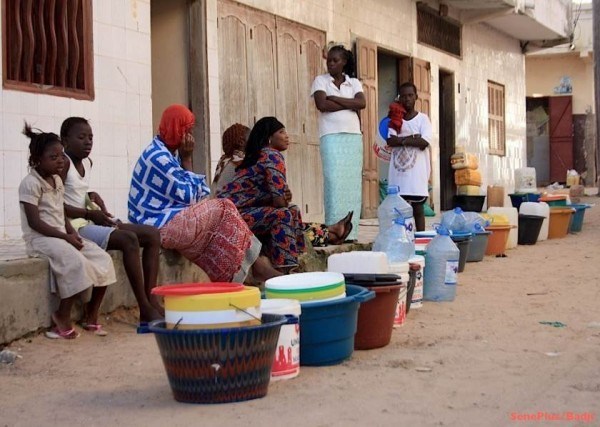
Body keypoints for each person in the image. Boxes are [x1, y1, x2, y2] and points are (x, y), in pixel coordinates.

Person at [128, 104, 281, 283]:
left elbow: (197, 195)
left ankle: (244, 273)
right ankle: (258, 267)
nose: (190, 137)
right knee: (224, 207)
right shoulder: (158, 156)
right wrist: (187, 158)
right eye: (188, 130)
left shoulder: (169, 153)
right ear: (177, 129)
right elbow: (193, 197)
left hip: (170, 218)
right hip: (157, 226)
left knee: (218, 226)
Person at [60, 117, 163, 323]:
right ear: (65, 140)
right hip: (76, 227)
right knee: (129, 240)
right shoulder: (63, 164)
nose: (88, 142)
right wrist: (89, 214)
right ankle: (143, 307)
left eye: (90, 137)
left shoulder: (87, 163)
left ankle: (152, 301)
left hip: (89, 220)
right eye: (81, 137)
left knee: (152, 235)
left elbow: (75, 191)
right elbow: (56, 204)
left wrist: (91, 196)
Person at [19, 124, 116, 339]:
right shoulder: (30, 184)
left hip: (61, 235)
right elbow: (35, 222)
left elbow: (60, 213)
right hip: (41, 239)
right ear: (36, 160)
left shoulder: (56, 180)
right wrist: (65, 237)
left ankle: (91, 315)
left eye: (61, 156)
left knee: (102, 259)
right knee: (75, 261)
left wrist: (73, 234)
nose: (60, 161)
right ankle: (61, 316)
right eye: (53, 157)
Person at [217, 117, 353, 270]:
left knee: (292, 211)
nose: (287, 136)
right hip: (232, 216)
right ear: (269, 138)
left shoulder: (253, 156)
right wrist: (282, 197)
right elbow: (280, 202)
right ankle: (284, 270)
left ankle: (299, 260)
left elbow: (276, 196)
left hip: (236, 212)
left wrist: (281, 197)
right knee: (283, 215)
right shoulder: (270, 155)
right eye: (281, 132)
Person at [311, 44, 366, 241]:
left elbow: (362, 103)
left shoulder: (354, 83)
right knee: (334, 183)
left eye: (335, 61)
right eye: (329, 61)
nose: (331, 64)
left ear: (344, 62)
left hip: (353, 137)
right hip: (331, 136)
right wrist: (347, 102)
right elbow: (322, 104)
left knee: (352, 185)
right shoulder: (320, 80)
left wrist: (335, 98)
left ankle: (352, 232)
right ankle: (334, 230)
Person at [386, 82, 433, 231]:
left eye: (410, 95)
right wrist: (412, 138)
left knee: (418, 210)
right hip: (399, 176)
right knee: (399, 212)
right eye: (403, 96)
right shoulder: (395, 121)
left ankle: (420, 241)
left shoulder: (423, 119)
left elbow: (424, 142)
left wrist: (403, 140)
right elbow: (390, 141)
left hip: (416, 176)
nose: (407, 99)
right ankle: (401, 240)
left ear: (416, 97)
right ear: (399, 98)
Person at [211, 123, 249, 194]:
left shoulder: (224, 160)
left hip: (215, 202)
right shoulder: (239, 161)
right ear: (241, 142)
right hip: (225, 203)